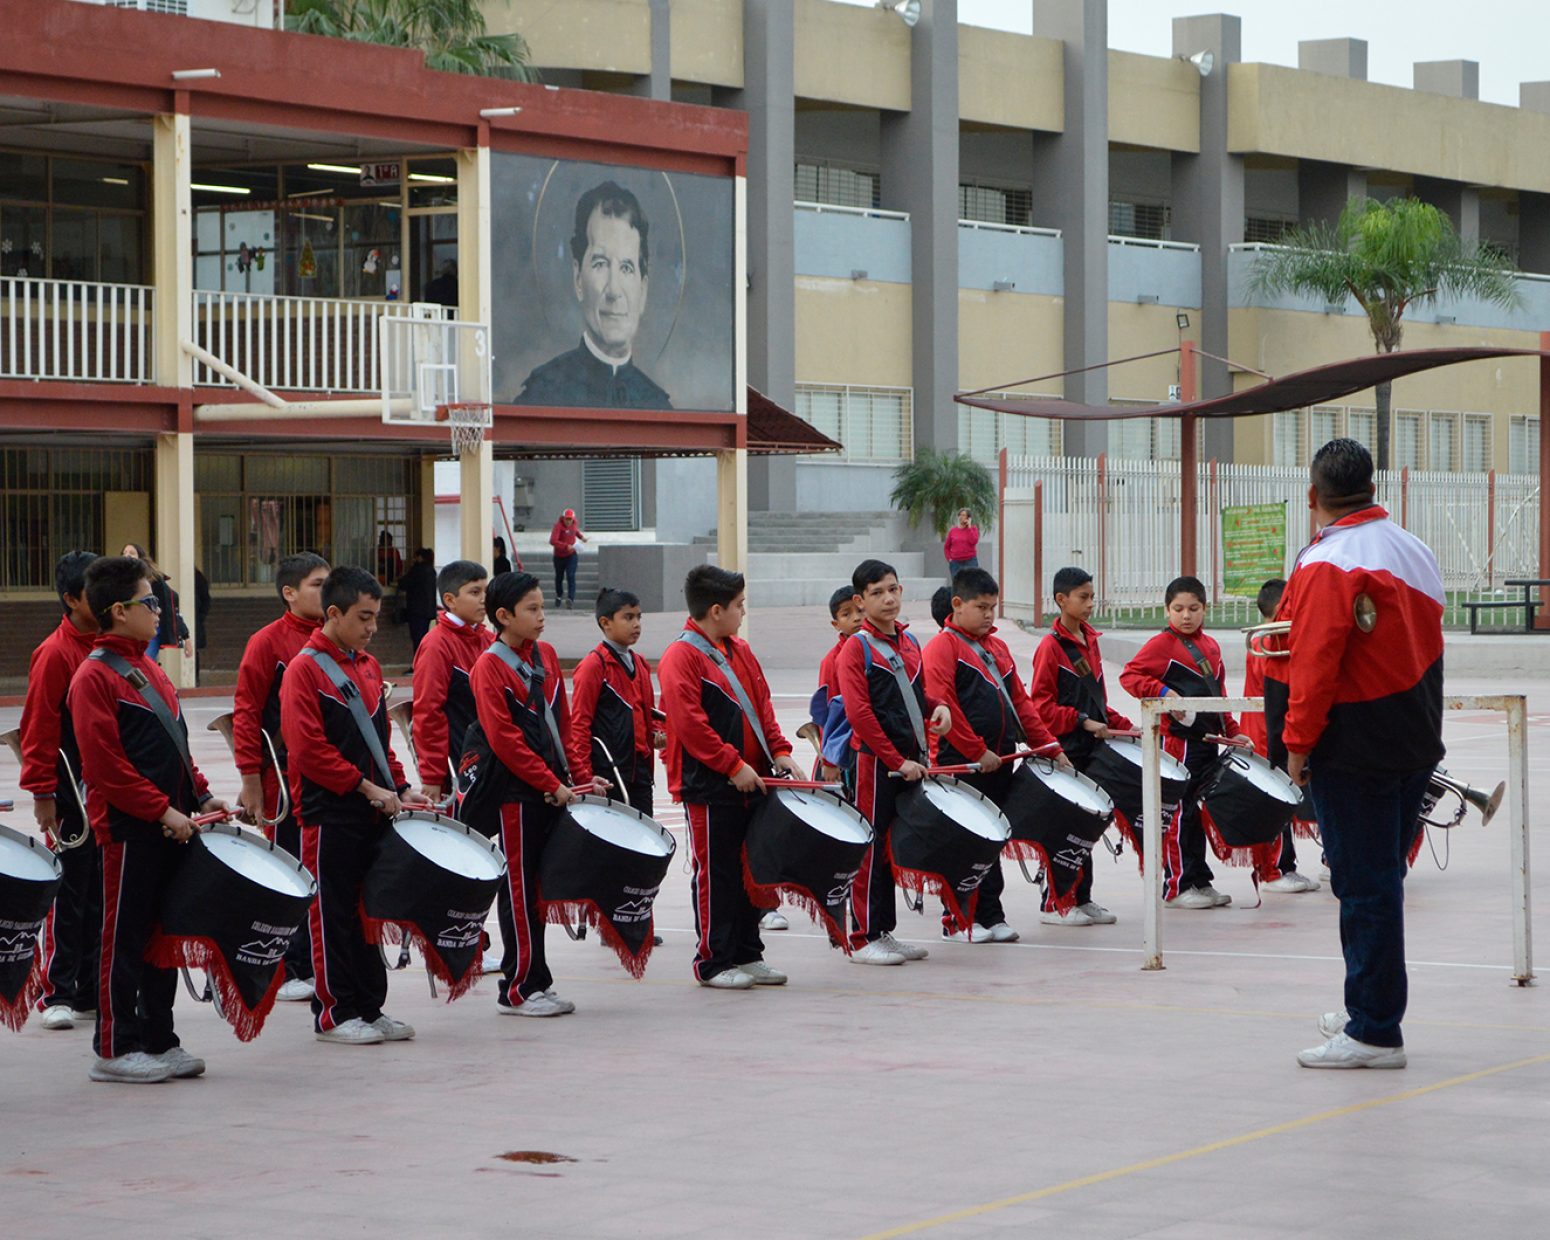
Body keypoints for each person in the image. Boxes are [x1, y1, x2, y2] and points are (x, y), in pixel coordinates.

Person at [1286, 439, 1444, 1070]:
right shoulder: (1412, 547)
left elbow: (1315, 663)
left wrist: (1298, 744)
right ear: (1371, 487)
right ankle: (1369, 1003)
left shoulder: (1328, 560)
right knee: (1377, 882)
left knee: (1365, 887)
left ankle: (1375, 1030)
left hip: (1356, 746)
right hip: (1413, 738)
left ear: (1313, 496)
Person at [68, 554, 228, 1083]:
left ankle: (160, 1038)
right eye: (151, 601)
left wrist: (201, 798)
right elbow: (105, 768)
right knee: (124, 938)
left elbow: (175, 747)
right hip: (130, 832)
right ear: (119, 610)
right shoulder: (94, 677)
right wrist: (161, 810)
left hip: (171, 825)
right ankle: (115, 1047)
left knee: (163, 935)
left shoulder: (150, 667)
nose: (161, 611)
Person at [281, 566, 429, 1046]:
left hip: (371, 808)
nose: (371, 628)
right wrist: (365, 788)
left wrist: (401, 786)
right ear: (333, 613)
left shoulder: (364, 665)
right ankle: (334, 1012)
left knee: (368, 912)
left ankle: (370, 1006)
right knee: (332, 913)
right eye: (363, 617)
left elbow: (378, 740)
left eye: (375, 618)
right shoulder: (305, 669)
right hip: (329, 815)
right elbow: (307, 750)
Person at [463, 572, 604, 1017]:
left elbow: (561, 724)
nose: (543, 617)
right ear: (503, 616)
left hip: (550, 789)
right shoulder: (489, 666)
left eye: (544, 607)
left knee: (539, 889)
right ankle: (520, 986)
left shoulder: (542, 655)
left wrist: (579, 778)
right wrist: (550, 783)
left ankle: (536, 980)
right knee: (520, 891)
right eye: (533, 610)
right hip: (514, 796)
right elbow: (504, 741)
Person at [657, 565, 803, 989]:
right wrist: (731, 765)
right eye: (739, 606)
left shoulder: (740, 650)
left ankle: (747, 952)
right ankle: (713, 961)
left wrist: (780, 750)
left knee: (749, 870)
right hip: (709, 786)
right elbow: (689, 724)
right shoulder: (680, 656)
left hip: (752, 780)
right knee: (716, 874)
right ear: (716, 610)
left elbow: (763, 708)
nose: (743, 613)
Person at [923, 567, 1067, 944]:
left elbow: (1021, 702)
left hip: (999, 760)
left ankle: (990, 913)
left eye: (993, 607)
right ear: (957, 604)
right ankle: (955, 921)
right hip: (963, 762)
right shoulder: (943, 646)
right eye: (981, 607)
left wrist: (1050, 746)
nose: (988, 615)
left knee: (992, 840)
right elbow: (943, 705)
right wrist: (977, 750)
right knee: (965, 842)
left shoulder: (996, 647)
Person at [837, 559, 952, 965]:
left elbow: (918, 696)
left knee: (890, 848)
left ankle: (883, 931)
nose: (888, 598)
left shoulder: (909, 643)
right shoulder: (857, 648)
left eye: (893, 589)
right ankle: (863, 936)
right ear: (860, 601)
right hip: (874, 765)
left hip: (908, 763)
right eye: (877, 593)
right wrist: (895, 759)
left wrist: (937, 709)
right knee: (869, 847)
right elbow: (860, 714)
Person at [1119, 575, 1252, 910]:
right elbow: (1130, 676)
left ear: (1205, 609)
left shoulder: (1211, 646)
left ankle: (1198, 879)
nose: (1186, 615)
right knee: (1179, 813)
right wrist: (1164, 694)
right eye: (1178, 609)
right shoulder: (1161, 645)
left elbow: (1218, 696)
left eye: (1193, 608)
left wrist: (1232, 730)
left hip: (1208, 742)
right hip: (1179, 743)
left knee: (1197, 813)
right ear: (1167, 610)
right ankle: (1177, 885)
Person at [233, 551, 330, 1004]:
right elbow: (247, 713)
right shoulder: (266, 643)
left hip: (331, 780)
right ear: (290, 593)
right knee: (289, 870)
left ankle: (319, 962)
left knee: (323, 872)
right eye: (316, 583)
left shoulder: (340, 639)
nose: (324, 590)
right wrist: (250, 779)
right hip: (283, 781)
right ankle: (291, 966)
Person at [18, 551, 100, 1031]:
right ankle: (57, 992)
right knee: (69, 892)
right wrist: (42, 792)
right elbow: (38, 728)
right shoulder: (55, 653)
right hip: (70, 795)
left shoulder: (115, 647)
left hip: (108, 795)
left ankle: (89, 986)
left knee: (101, 894)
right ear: (71, 600)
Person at [1029, 566, 1135, 927]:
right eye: (1083, 597)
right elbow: (1040, 706)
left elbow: (1098, 702)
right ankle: (1055, 903)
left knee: (1087, 827)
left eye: (1092, 596)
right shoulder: (1050, 647)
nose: (1090, 603)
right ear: (1061, 600)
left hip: (1092, 747)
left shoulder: (1091, 639)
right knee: (1066, 829)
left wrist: (1124, 726)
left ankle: (1081, 897)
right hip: (1066, 750)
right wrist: (1079, 721)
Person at [515, 180, 673, 409]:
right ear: (578, 277)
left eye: (627, 268)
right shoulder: (541, 393)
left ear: (644, 289)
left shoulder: (659, 405)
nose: (614, 291)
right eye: (600, 264)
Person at [1242, 577, 1319, 894]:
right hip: (1265, 736)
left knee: (1287, 803)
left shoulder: (1274, 641)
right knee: (1275, 806)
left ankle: (1286, 866)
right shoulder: (1268, 643)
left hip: (1271, 732)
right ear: (1278, 610)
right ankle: (1273, 871)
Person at [568, 587, 663, 817]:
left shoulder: (639, 663)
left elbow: (647, 712)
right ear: (605, 622)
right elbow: (579, 724)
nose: (636, 624)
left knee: (645, 841)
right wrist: (584, 776)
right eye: (628, 617)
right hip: (609, 775)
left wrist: (657, 733)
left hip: (640, 772)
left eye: (639, 617)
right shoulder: (594, 665)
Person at [411, 560, 493, 805]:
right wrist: (433, 776)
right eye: (474, 592)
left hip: (489, 762)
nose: (483, 599)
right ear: (450, 600)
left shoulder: (489, 639)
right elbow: (428, 712)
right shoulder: (436, 644)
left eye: (485, 591)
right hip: (457, 767)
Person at [122, 544, 190, 664]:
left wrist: (185, 636)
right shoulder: (117, 579)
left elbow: (170, 607)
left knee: (145, 663)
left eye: (131, 553)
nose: (127, 555)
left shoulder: (154, 580)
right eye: (124, 553)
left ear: (140, 557)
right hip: (128, 628)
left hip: (150, 627)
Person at [398, 548, 439, 652]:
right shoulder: (431, 571)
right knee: (423, 637)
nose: (414, 559)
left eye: (415, 556)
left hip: (417, 610)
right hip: (428, 611)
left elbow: (404, 583)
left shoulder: (418, 570)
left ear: (420, 557)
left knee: (417, 638)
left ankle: (418, 664)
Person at [550, 509, 587, 609]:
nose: (568, 521)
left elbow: (575, 531)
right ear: (563, 518)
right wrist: (565, 546)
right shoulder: (558, 526)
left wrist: (581, 537)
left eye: (570, 519)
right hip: (559, 556)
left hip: (571, 554)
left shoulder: (573, 524)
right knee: (559, 577)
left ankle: (570, 598)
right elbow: (553, 541)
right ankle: (559, 595)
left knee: (571, 575)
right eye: (567, 519)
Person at [943, 509, 980, 583]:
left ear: (968, 518)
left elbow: (973, 541)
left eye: (963, 515)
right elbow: (946, 547)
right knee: (957, 584)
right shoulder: (953, 531)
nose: (961, 517)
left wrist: (969, 527)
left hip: (970, 561)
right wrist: (949, 559)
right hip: (956, 563)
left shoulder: (973, 529)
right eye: (960, 515)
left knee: (972, 583)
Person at [193, 567, 211, 685]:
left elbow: (206, 600)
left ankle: (196, 677)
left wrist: (200, 617)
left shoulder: (197, 577)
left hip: (196, 620)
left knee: (195, 651)